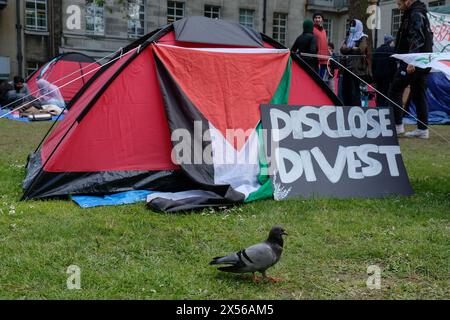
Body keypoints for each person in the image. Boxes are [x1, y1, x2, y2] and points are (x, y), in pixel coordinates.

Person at [388, 0, 433, 139]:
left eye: (399, 4)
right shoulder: (419, 12)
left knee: (395, 89)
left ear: (407, 1)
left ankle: (397, 125)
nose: (398, 7)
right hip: (423, 60)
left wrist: (411, 60)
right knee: (419, 93)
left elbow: (417, 36)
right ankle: (422, 129)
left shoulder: (415, 13)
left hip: (412, 60)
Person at [340, 19, 371, 106]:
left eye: (353, 25)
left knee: (354, 90)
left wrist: (347, 49)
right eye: (350, 25)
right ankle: (346, 106)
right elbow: (342, 49)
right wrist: (352, 48)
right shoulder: (348, 36)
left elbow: (360, 49)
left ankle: (355, 107)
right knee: (345, 89)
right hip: (346, 66)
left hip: (356, 68)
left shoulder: (362, 37)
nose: (351, 27)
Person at [372, 35, 396, 107]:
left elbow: (373, 65)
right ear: (390, 42)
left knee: (379, 93)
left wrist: (374, 76)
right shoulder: (392, 51)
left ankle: (379, 107)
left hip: (378, 75)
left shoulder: (377, 50)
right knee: (387, 93)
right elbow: (393, 65)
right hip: (388, 76)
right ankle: (385, 108)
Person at [312, 12, 329, 80]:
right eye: (315, 18)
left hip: (324, 59)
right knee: (317, 80)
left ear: (322, 19)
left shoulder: (324, 31)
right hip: (317, 59)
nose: (317, 19)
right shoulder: (312, 29)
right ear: (313, 20)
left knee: (322, 80)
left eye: (319, 17)